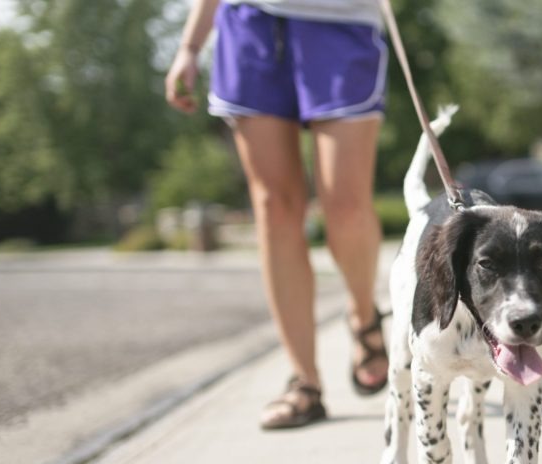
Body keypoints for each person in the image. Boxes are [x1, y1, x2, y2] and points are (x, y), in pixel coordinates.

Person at [165, 0, 390, 430]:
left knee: (345, 205)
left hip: (339, 22)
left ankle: (363, 317)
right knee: (273, 208)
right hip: (249, 23)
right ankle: (304, 381)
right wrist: (190, 46)